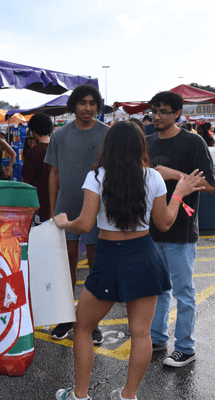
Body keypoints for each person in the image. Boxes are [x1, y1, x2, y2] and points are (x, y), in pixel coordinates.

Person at [53, 121, 205, 400]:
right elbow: (165, 222)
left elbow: (85, 225)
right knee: (141, 333)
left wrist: (64, 222)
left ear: (108, 145)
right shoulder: (153, 177)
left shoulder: (97, 176)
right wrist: (179, 194)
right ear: (141, 146)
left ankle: (80, 395)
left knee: (83, 326)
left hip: (109, 257)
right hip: (143, 255)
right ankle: (128, 395)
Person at [147, 91, 215, 368]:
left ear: (177, 114)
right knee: (157, 289)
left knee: (183, 291)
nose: (158, 116)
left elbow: (209, 185)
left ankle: (185, 347)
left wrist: (173, 175)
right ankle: (156, 338)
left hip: (182, 230)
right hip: (150, 230)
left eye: (164, 111)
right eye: (155, 111)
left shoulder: (193, 142)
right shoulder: (146, 142)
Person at [44, 84, 110, 343]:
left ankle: (92, 321)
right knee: (66, 265)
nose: (88, 108)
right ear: (74, 105)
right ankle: (66, 317)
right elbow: (54, 174)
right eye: (83, 103)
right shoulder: (60, 135)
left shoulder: (107, 134)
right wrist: (52, 209)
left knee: (95, 266)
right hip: (66, 208)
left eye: (93, 103)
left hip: (98, 209)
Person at [22, 113, 53, 222]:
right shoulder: (57, 148)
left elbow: (27, 179)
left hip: (39, 203)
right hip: (57, 204)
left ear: (34, 131)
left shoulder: (34, 151)